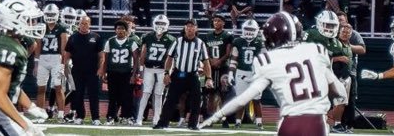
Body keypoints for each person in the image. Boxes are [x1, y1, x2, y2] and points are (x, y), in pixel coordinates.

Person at [199, 12, 345, 136]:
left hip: (290, 122)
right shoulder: (316, 54)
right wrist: (332, 112)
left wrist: (216, 116)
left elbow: (243, 99)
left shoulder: (271, 62)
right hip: (316, 122)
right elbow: (341, 92)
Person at [0, 0, 48, 136]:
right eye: (29, 20)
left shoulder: (10, 42)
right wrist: (24, 124)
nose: (33, 24)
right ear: (14, 20)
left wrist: (31, 106)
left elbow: (11, 87)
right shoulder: (6, 47)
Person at [153, 19, 211, 130]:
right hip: (178, 74)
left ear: (196, 28)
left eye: (192, 26)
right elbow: (169, 58)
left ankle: (193, 124)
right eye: (188, 26)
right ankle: (162, 123)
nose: (190, 28)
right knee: (170, 99)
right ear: (185, 28)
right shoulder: (177, 41)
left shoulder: (200, 43)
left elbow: (206, 62)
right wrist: (166, 73)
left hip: (193, 75)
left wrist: (209, 78)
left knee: (196, 100)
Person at [98, 20, 139, 125]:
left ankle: (126, 116)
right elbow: (106, 58)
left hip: (126, 73)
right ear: (115, 30)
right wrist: (104, 71)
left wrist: (134, 74)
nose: (120, 31)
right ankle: (111, 116)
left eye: (122, 29)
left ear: (126, 31)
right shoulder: (110, 41)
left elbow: (136, 60)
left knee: (127, 96)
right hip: (113, 72)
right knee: (112, 96)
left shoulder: (132, 42)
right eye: (118, 29)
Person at [135, 14, 173, 126]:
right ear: (154, 24)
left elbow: (170, 58)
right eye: (158, 23)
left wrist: (168, 72)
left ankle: (156, 119)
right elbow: (143, 53)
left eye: (162, 24)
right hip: (149, 68)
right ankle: (139, 118)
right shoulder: (148, 36)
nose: (160, 26)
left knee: (158, 94)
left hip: (162, 69)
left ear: (167, 25)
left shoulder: (171, 39)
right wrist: (141, 69)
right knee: (146, 93)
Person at [63, 14, 101, 124]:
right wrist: (65, 66)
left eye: (86, 23)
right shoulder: (73, 37)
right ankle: (80, 116)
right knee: (78, 94)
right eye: (82, 23)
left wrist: (100, 69)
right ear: (78, 24)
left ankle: (96, 118)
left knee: (93, 95)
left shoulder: (96, 37)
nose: (84, 25)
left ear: (89, 24)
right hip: (77, 70)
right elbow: (67, 54)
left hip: (92, 70)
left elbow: (101, 56)